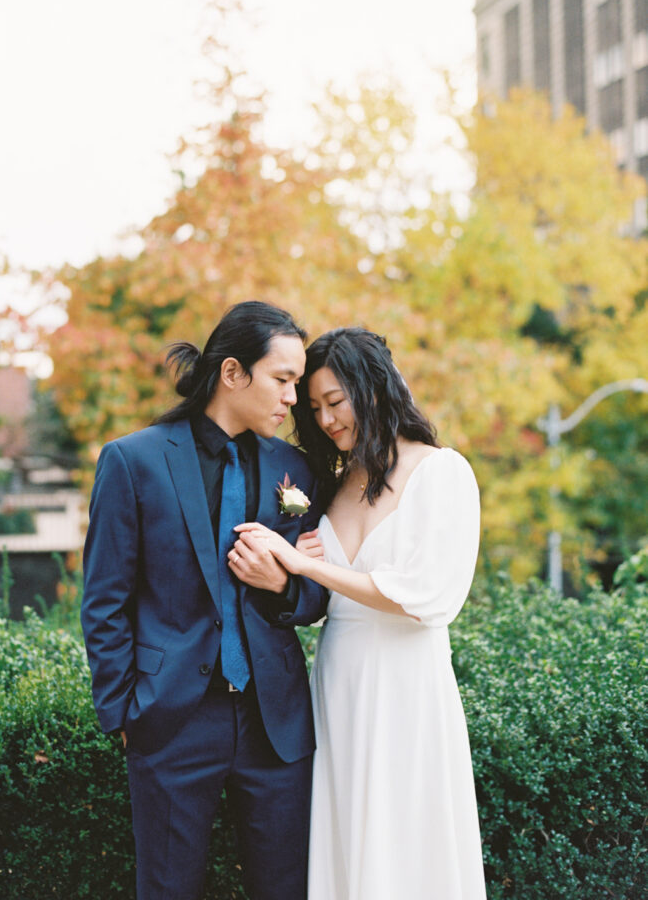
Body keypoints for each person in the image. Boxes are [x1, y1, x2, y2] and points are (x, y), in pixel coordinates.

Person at [80, 301, 328, 900]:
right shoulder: (133, 461)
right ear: (233, 373)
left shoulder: (296, 469)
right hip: (171, 719)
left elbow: (319, 589)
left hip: (277, 724)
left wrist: (285, 585)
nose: (294, 398)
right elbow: (104, 600)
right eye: (283, 380)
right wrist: (122, 714)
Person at [232, 327, 486, 900]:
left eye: (335, 402)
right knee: (345, 841)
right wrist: (285, 576)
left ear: (372, 390)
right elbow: (316, 601)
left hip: (407, 687)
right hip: (338, 685)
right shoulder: (335, 487)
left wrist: (305, 565)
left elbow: (427, 597)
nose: (324, 419)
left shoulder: (442, 472)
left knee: (406, 842)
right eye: (315, 407)